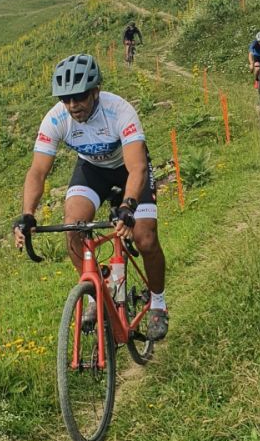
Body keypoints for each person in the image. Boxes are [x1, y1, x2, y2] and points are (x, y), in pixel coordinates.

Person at [13, 53, 169, 340]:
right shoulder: (56, 119)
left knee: (145, 238)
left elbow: (137, 167)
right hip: (92, 170)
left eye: (80, 96)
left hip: (129, 170)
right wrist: (28, 213)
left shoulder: (120, 111)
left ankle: (158, 303)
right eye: (66, 98)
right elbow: (37, 171)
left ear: (96, 91)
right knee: (73, 226)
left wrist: (128, 206)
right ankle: (97, 291)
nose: (73, 105)